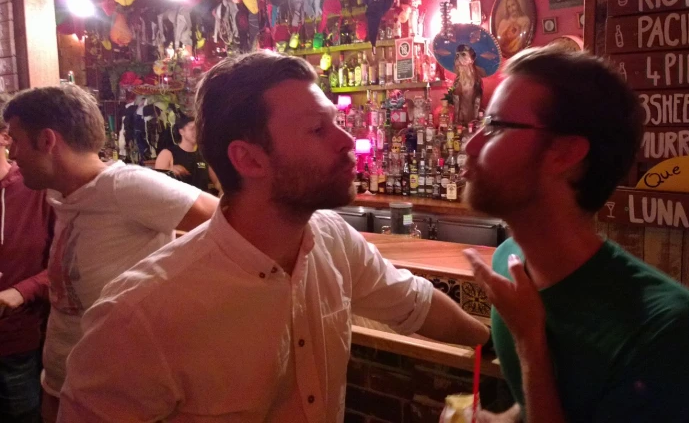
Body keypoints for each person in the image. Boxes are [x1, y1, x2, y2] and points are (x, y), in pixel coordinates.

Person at [58, 52, 490, 422]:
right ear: (248, 159)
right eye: (318, 130)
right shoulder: (137, 318)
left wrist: (497, 341)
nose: (348, 141)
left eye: (336, 124)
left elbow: (415, 304)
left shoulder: (331, 239)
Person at [460, 47, 689, 422]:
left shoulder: (673, 331)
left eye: (497, 126)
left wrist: (531, 343)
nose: (471, 145)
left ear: (564, 154)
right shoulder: (510, 263)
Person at [2, 85, 219, 422]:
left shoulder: (126, 186)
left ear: (47, 141)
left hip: (122, 394)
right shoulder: (60, 195)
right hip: (63, 381)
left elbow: (226, 222)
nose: (11, 153)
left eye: (14, 140)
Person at [0, 94, 53, 423]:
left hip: (16, 341)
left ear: (5, 138)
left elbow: (66, 263)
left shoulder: (36, 187)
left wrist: (20, 291)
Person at [155, 115, 220, 195]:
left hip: (200, 203)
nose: (197, 132)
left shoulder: (204, 154)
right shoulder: (167, 153)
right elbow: (156, 184)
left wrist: (225, 192)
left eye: (199, 129)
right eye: (192, 129)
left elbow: (217, 182)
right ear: (181, 131)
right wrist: (170, 170)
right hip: (178, 203)